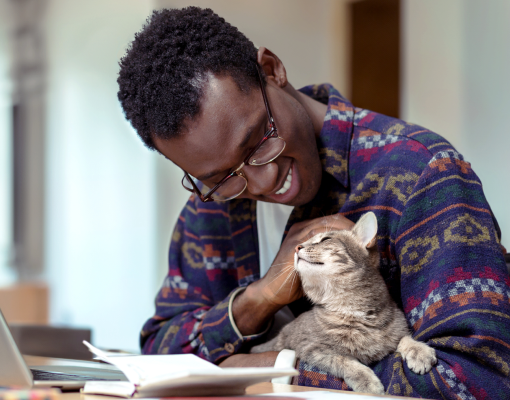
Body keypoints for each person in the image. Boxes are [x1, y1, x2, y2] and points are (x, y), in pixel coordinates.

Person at [116, 6, 510, 399]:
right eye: (223, 177)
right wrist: (259, 299)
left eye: (257, 141)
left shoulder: (421, 172)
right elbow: (158, 353)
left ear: (272, 71)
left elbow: (478, 378)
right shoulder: (212, 204)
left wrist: (275, 368)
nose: (264, 178)